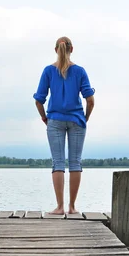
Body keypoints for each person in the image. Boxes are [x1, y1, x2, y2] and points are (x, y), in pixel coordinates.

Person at [33, 36, 95, 215]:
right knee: (75, 162)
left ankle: (59, 207)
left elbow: (39, 101)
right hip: (77, 119)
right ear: (72, 49)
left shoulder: (48, 71)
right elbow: (90, 100)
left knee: (58, 163)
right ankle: (72, 207)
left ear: (55, 50)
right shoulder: (80, 71)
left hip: (55, 120)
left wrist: (45, 118)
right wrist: (85, 118)